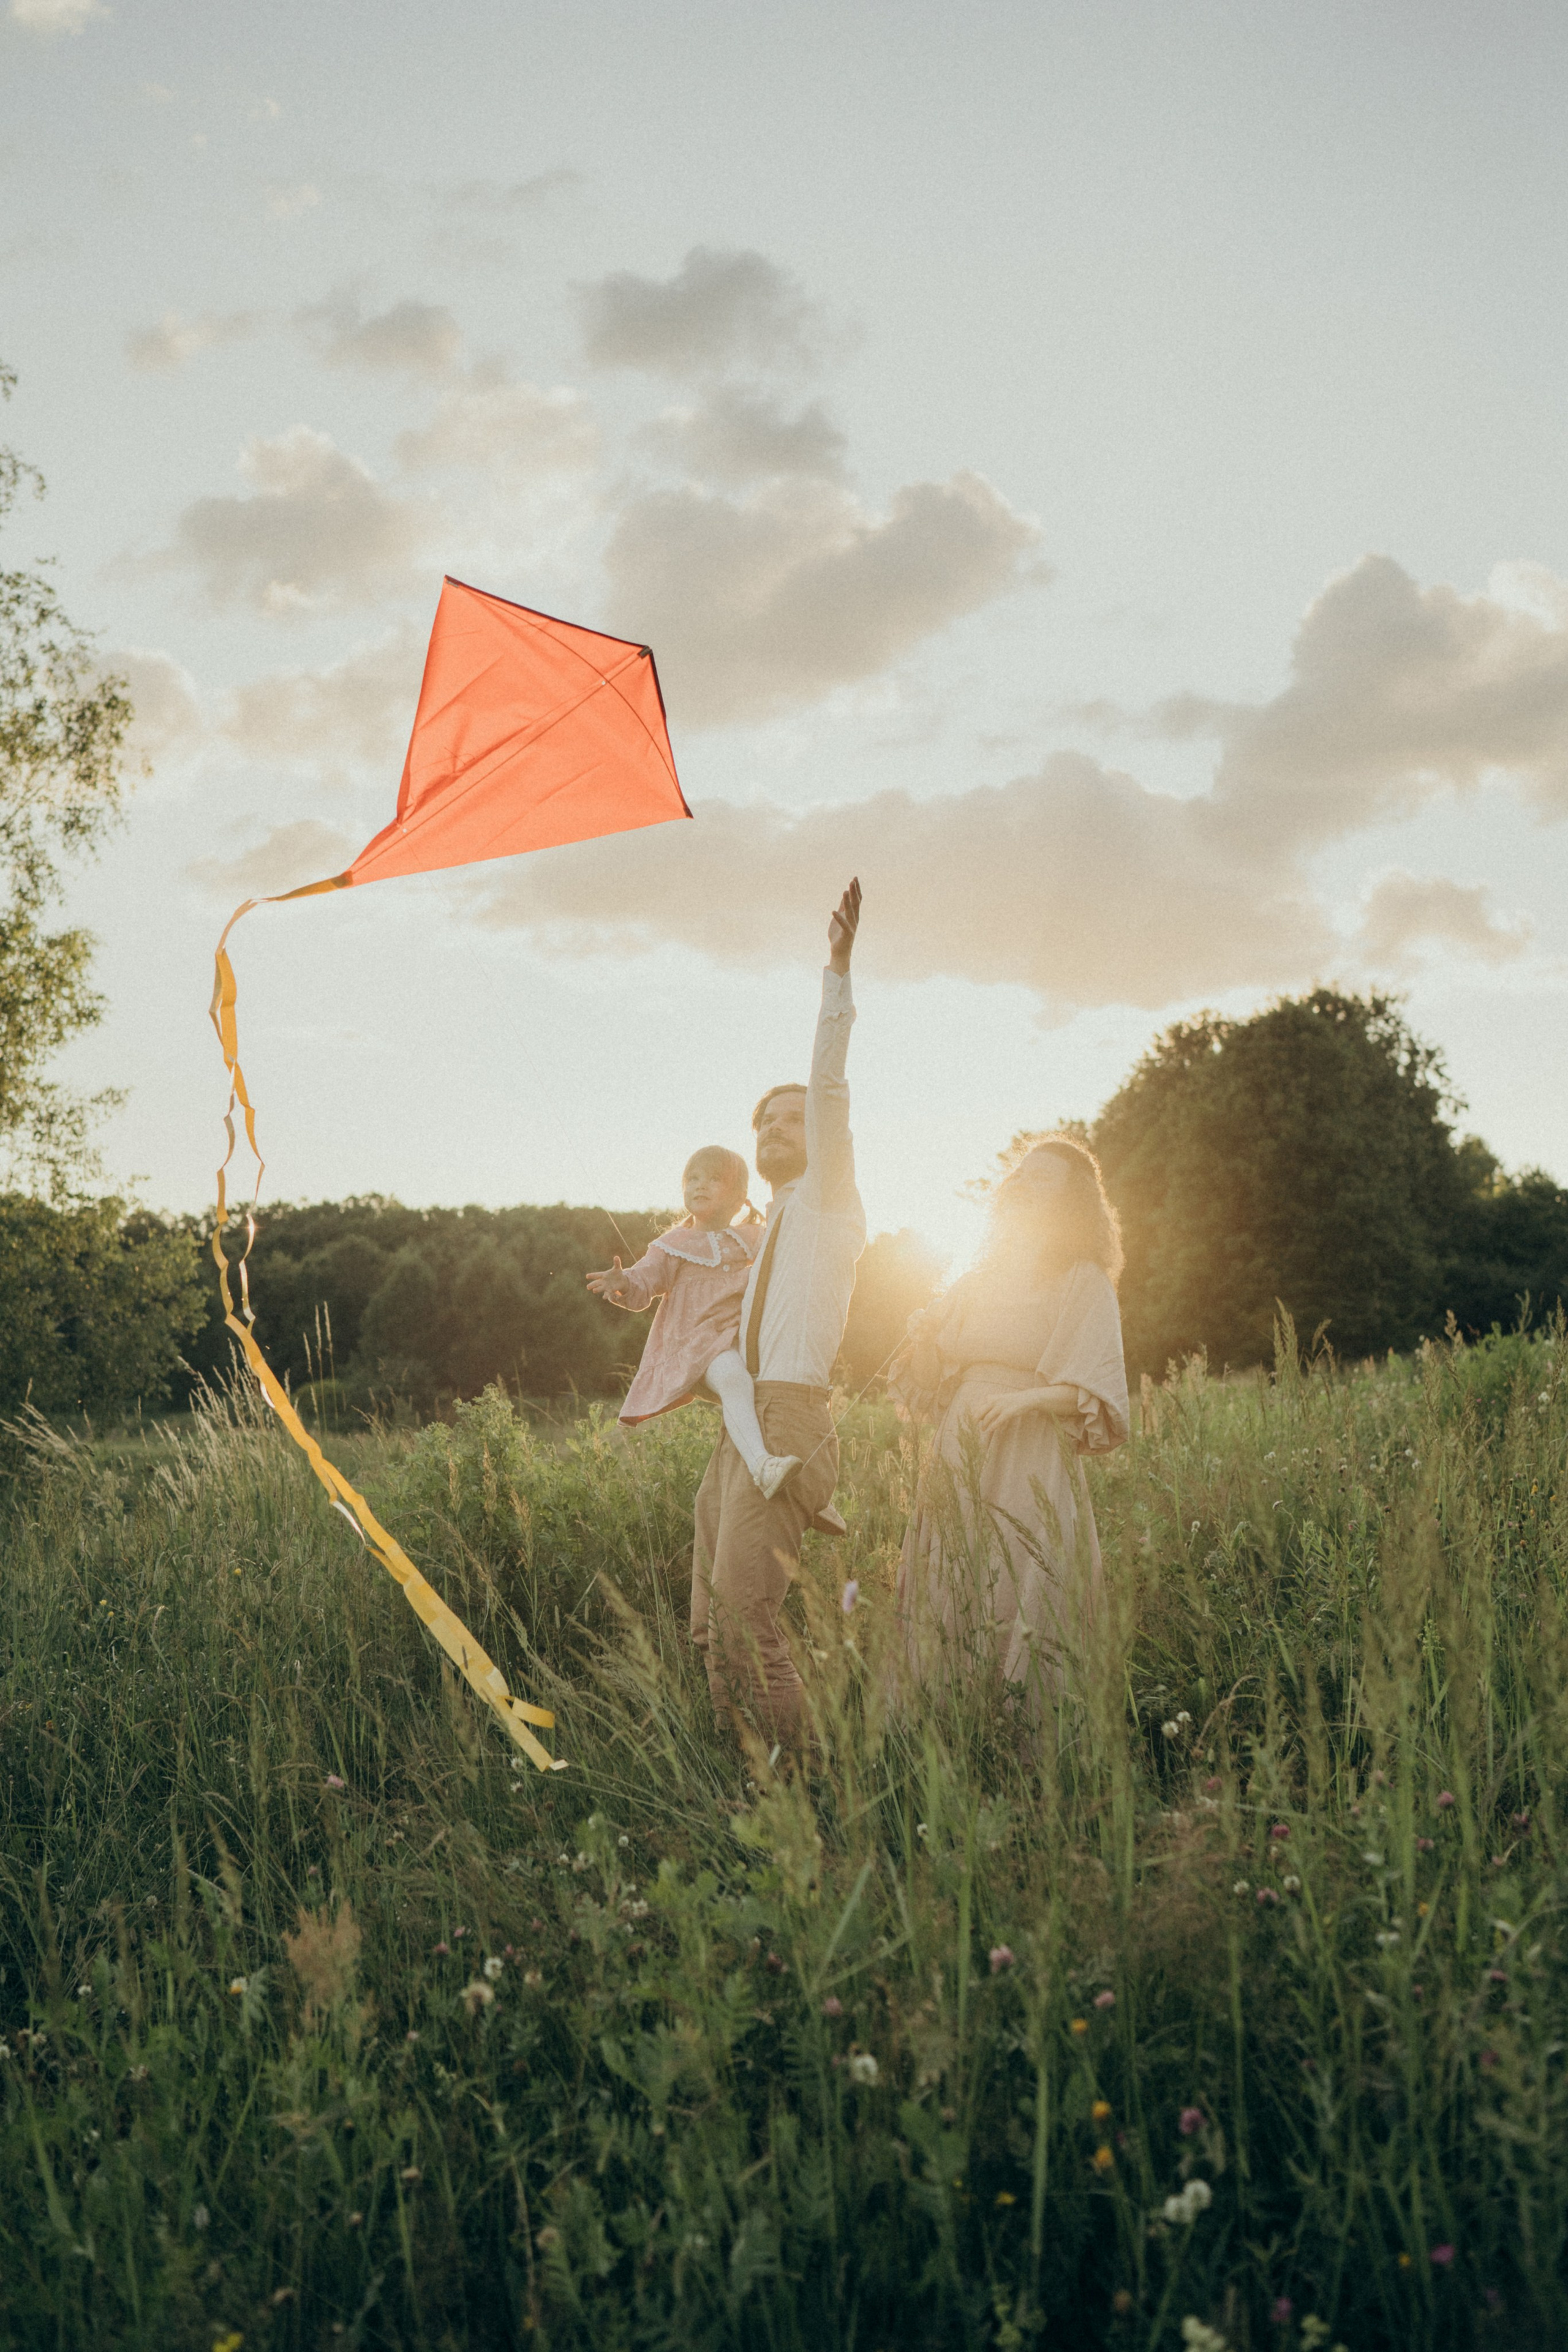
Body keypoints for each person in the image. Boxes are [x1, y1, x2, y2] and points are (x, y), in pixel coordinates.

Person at [690, 878, 866, 1750]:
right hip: (742, 1432)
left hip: (788, 1415)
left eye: (792, 1118)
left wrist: (836, 975)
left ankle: (801, 1796)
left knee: (747, 1620)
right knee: (709, 1624)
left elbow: (829, 1090)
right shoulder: (766, 1230)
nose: (777, 1127)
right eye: (764, 1120)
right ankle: (738, 1784)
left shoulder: (830, 1201)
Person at [892, 1136, 1129, 1706]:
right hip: (962, 1441)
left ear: (1071, 1199)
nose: (1023, 1182)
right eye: (1021, 1173)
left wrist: (1026, 1401)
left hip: (1031, 1449)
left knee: (1023, 1574)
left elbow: (1097, 1391)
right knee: (951, 1571)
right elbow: (926, 1384)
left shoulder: (1083, 1278)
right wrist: (922, 1336)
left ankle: (1023, 1740)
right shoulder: (979, 1277)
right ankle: (944, 1724)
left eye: (1042, 1177)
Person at [586, 1147, 802, 1499]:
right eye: (693, 1179)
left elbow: (784, 1256)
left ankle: (812, 1491)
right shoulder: (672, 1245)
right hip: (697, 1345)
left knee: (782, 1393)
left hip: (744, 1339)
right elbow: (647, 1278)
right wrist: (624, 1281)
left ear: (738, 1199)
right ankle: (763, 1468)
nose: (700, 1185)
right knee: (733, 1378)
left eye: (715, 1179)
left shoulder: (751, 1239)